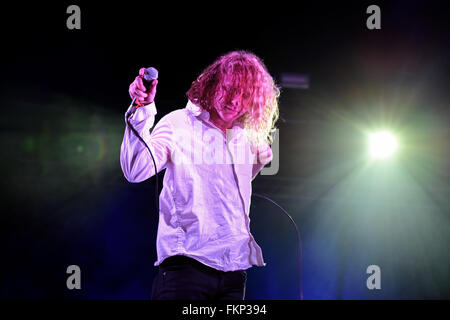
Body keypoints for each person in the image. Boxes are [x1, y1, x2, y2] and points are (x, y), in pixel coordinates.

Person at [120, 50, 280, 300]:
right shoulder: (178, 124)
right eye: (229, 89)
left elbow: (224, 192)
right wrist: (142, 108)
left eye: (245, 95)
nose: (234, 100)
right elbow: (135, 169)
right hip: (186, 267)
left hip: (234, 272)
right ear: (214, 83)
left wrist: (257, 163)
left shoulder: (244, 137)